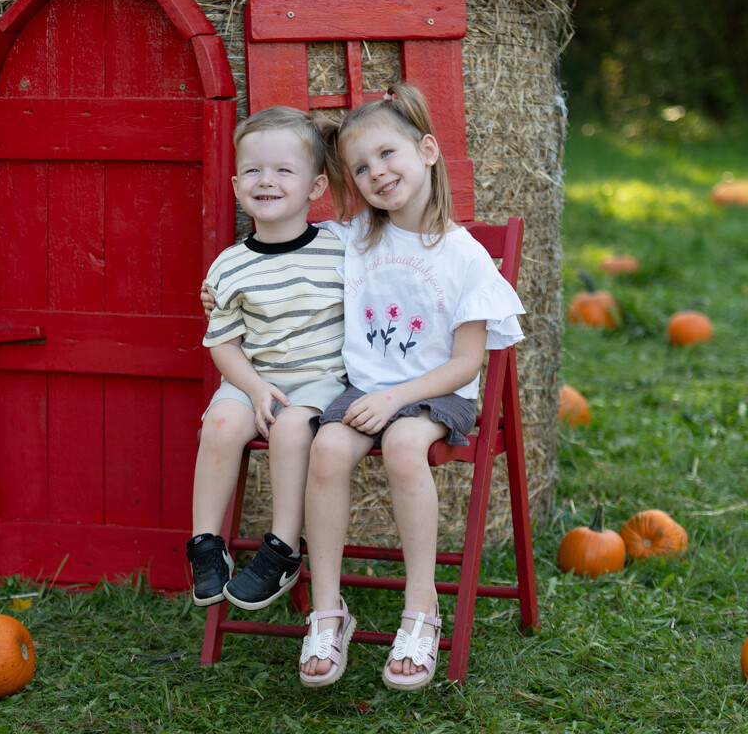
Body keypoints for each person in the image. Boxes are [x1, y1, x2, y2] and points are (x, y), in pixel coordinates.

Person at [297, 83, 525, 690]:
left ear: (427, 150)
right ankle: (328, 612)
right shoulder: (355, 239)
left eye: (388, 154)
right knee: (325, 448)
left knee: (402, 446)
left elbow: (466, 365)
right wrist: (230, 282)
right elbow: (282, 253)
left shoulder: (465, 256)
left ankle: (421, 611)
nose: (377, 173)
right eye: (361, 167)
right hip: (367, 389)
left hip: (437, 391)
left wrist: (397, 399)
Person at [187, 106, 347, 611]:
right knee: (220, 425)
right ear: (237, 186)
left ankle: (282, 546)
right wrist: (253, 389)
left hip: (319, 380)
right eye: (253, 170)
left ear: (316, 188)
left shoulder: (340, 249)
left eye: (283, 170)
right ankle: (206, 546)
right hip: (252, 376)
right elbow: (223, 344)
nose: (267, 181)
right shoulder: (231, 265)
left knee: (291, 426)